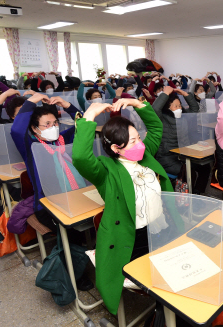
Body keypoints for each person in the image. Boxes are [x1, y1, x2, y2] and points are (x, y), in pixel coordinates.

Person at [71, 98, 182, 315]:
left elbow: (156, 127)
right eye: (132, 142)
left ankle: (168, 313)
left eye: (138, 138)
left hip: (161, 229)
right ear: (115, 148)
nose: (139, 143)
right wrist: (89, 117)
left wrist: (136, 103)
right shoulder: (106, 171)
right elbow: (81, 158)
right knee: (161, 286)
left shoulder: (145, 155)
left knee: (175, 278)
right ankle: (164, 316)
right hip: (134, 240)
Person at [11, 93, 82, 233]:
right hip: (47, 204)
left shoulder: (63, 139)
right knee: (73, 233)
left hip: (74, 195)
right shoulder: (31, 146)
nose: (53, 127)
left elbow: (84, 123)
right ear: (34, 128)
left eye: (55, 122)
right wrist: (31, 101)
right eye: (47, 124)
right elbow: (16, 130)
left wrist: (67, 105)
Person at [152, 86, 211, 194]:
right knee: (190, 172)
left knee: (205, 168)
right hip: (168, 158)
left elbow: (194, 108)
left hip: (183, 156)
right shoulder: (162, 118)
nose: (179, 108)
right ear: (167, 107)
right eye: (175, 106)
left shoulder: (183, 116)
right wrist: (165, 94)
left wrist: (185, 94)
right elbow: (155, 109)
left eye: (180, 105)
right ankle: (186, 200)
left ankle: (197, 194)